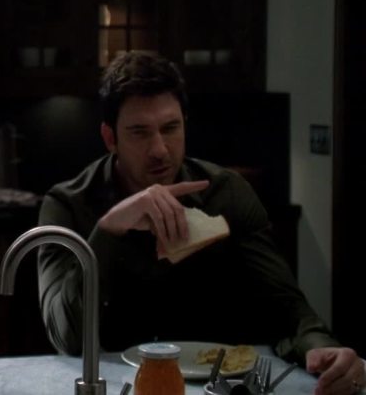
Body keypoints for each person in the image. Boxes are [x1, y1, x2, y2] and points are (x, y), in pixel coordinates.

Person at [37, 51, 366, 395]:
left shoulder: (226, 194)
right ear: (110, 138)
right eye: (139, 132)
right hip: (116, 385)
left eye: (170, 128)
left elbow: (286, 308)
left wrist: (322, 348)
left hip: (217, 386)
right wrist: (108, 229)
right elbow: (66, 337)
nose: (159, 149)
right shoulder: (67, 206)